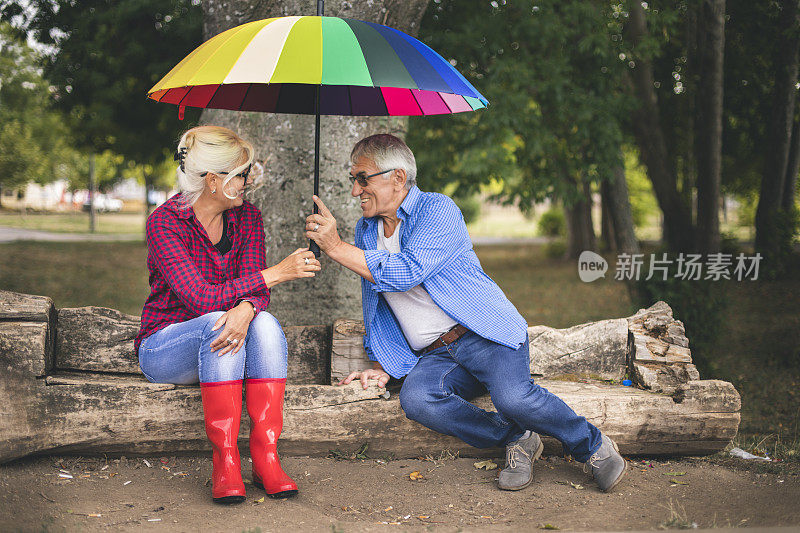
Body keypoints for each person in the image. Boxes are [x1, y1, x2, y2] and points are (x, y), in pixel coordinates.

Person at [305, 133, 627, 493]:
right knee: (417, 399)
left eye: (362, 179)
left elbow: (406, 271)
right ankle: (518, 437)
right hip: (437, 353)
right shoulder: (365, 230)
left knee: (513, 397)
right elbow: (378, 302)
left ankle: (593, 446)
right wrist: (386, 363)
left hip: (483, 334)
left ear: (397, 177)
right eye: (353, 180)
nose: (354, 191)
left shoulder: (437, 210)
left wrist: (334, 247)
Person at [135, 126, 321, 504]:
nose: (248, 181)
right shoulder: (166, 222)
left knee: (264, 322)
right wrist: (276, 274)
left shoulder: (248, 218)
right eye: (241, 174)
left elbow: (254, 294)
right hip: (165, 348)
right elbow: (200, 298)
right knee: (215, 319)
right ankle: (226, 459)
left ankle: (266, 457)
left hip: (221, 340)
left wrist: (249, 308)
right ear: (214, 180)